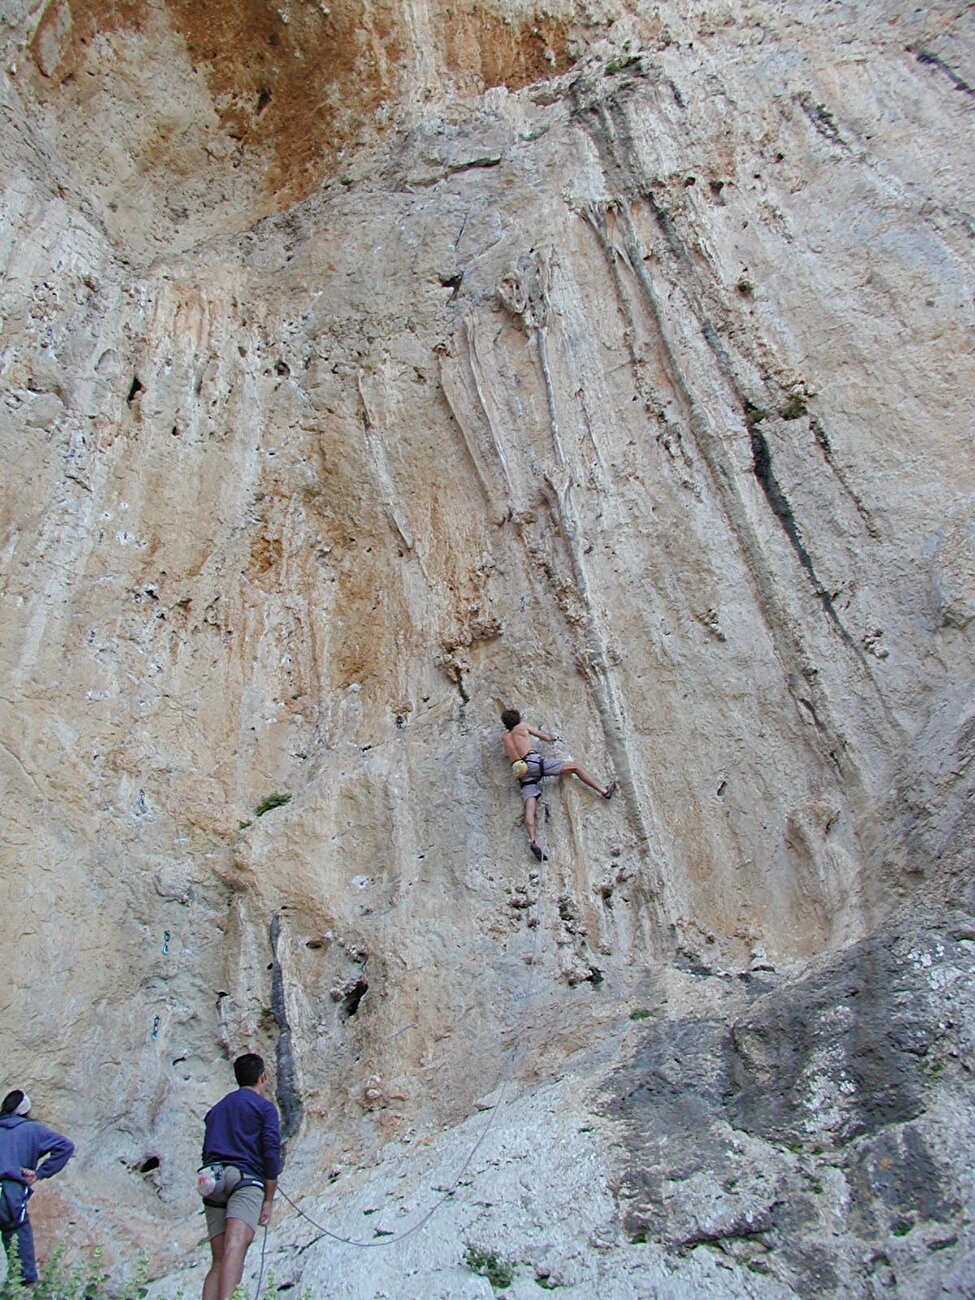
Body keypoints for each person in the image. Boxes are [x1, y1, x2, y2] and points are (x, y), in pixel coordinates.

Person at [200, 1054, 281, 1300]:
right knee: (236, 1243)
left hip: (212, 1179)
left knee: (219, 1258)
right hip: (245, 1179)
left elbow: (206, 1150)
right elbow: (271, 1151)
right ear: (262, 1077)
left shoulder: (216, 1110)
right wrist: (268, 1198)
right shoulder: (264, 1108)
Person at [501, 709, 617, 860]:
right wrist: (553, 737)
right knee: (575, 767)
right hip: (533, 763)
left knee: (529, 804)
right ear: (518, 718)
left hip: (520, 771)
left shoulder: (504, 737)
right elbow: (545, 737)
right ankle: (603, 791)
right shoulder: (522, 726)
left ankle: (533, 840)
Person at [0, 1089, 75, 1287]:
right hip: (11, 1194)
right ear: (25, 1111)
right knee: (18, 1237)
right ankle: (22, 1287)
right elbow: (65, 1146)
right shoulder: (31, 1130)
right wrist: (40, 1173)